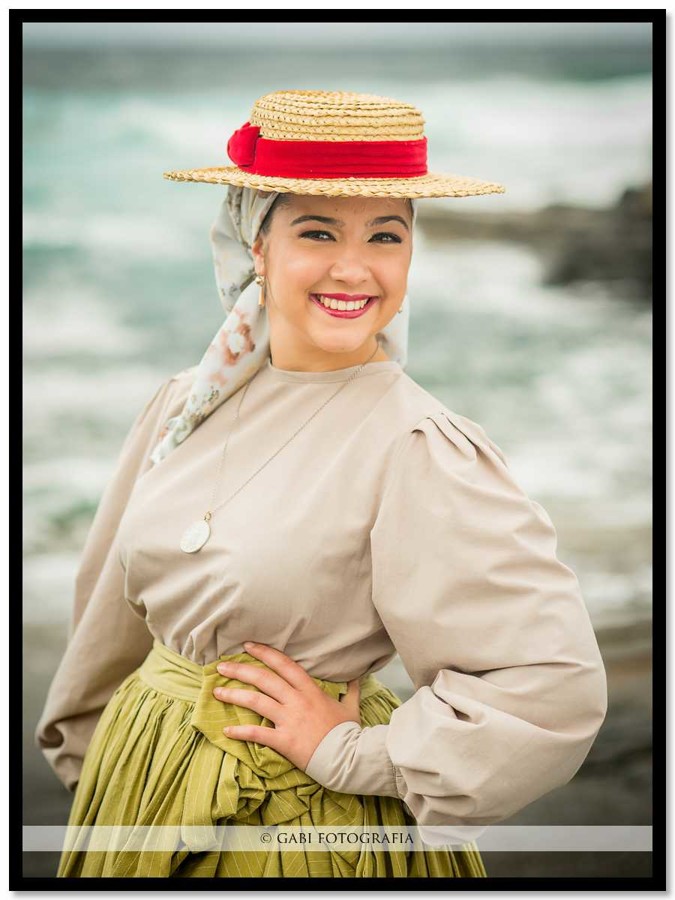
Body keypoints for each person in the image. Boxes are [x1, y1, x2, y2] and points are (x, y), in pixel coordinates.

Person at [35, 89, 608, 879]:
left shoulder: (418, 447)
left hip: (303, 829)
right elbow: (110, 616)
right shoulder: (185, 404)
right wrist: (102, 766)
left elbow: (551, 685)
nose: (354, 267)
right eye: (315, 231)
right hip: (141, 794)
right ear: (255, 246)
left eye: (385, 234)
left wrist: (353, 753)